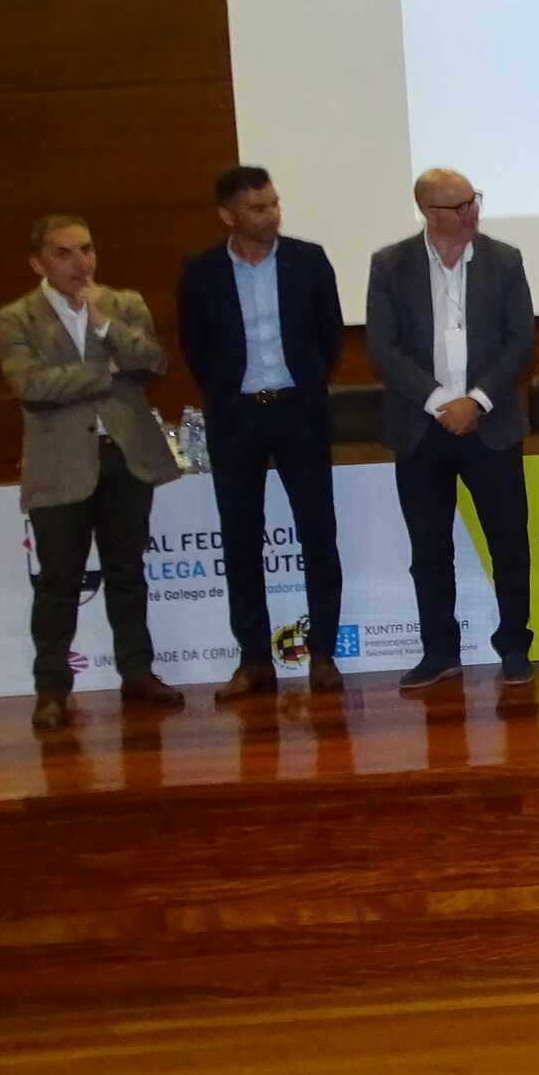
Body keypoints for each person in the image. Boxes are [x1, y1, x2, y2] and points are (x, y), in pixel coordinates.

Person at [0, 214, 184, 731]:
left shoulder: (123, 304)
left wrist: (105, 326)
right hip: (59, 465)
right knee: (58, 579)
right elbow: (30, 385)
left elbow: (154, 363)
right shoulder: (16, 318)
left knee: (127, 572)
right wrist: (106, 371)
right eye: (65, 253)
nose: (81, 262)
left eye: (87, 249)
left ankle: (137, 672)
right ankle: (52, 688)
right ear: (38, 263)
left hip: (125, 456)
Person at [176, 165, 347, 700]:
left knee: (318, 534)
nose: (271, 215)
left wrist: (308, 382)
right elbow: (196, 347)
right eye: (257, 208)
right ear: (227, 215)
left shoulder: (308, 260)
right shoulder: (200, 272)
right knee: (241, 539)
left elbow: (330, 335)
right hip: (236, 416)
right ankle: (253, 660)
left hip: (299, 411)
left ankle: (323, 654)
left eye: (273, 204)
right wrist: (228, 391)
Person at [365, 169, 536, 690]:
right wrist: (442, 402)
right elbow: (383, 348)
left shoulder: (504, 260)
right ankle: (439, 651)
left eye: (473, 201)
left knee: (509, 544)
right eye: (459, 206)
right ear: (429, 212)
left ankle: (514, 646)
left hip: (491, 423)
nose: (471, 212)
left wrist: (476, 401)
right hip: (422, 427)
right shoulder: (390, 265)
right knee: (430, 550)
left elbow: (521, 342)